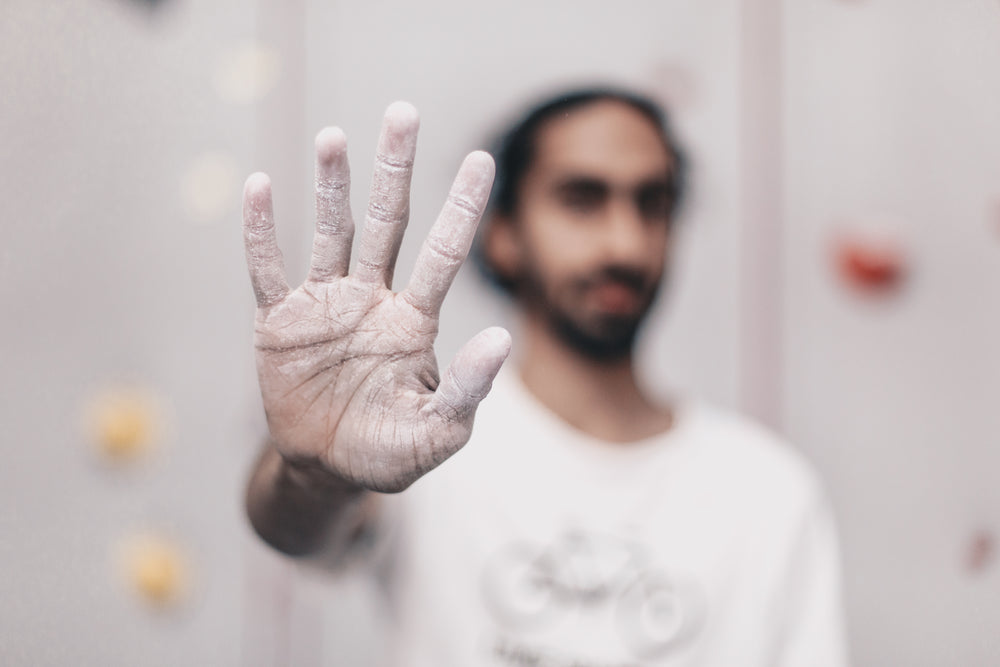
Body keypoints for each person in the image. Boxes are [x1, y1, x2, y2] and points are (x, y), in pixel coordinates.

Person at [242, 88, 848, 666]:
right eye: (582, 198)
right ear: (504, 234)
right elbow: (299, 534)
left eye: (652, 203)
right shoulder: (420, 436)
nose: (625, 243)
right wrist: (315, 472)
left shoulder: (770, 492)